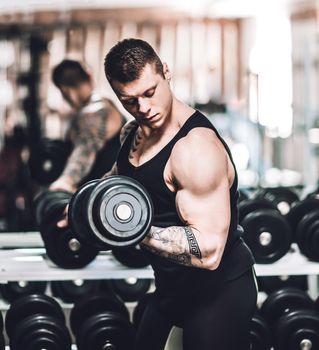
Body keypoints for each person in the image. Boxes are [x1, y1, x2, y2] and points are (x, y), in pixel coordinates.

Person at [101, 38, 258, 350]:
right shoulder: (133, 133)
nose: (143, 108)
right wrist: (82, 208)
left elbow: (209, 250)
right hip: (171, 289)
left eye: (150, 92)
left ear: (166, 72)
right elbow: (118, 182)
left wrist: (128, 229)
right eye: (129, 101)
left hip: (219, 292)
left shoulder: (195, 149)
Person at [49, 59, 125, 193]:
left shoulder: (94, 111)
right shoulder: (101, 104)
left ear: (65, 90)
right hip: (103, 193)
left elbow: (86, 147)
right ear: (89, 77)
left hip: (105, 197)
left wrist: (67, 179)